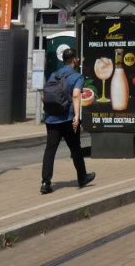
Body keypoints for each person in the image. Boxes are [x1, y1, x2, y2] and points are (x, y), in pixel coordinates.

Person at [41, 48, 95, 195]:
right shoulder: (77, 76)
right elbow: (76, 96)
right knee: (75, 148)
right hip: (67, 118)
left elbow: (43, 96)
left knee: (50, 150)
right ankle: (82, 177)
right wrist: (77, 116)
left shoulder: (54, 74)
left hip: (51, 118)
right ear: (74, 60)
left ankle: (45, 183)